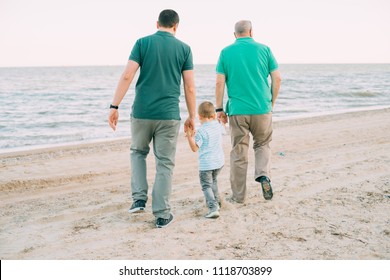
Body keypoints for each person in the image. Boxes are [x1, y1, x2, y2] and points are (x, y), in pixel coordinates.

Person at [108, 9, 196, 228]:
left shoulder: (142, 43)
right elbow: (190, 87)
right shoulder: (185, 49)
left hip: (141, 113)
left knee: (138, 153)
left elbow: (127, 75)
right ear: (176, 26)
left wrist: (114, 106)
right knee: (164, 163)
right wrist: (192, 115)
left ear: (157, 24)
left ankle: (138, 199)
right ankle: (162, 214)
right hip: (168, 115)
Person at [215, 20, 281, 203]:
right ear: (251, 31)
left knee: (239, 152)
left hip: (237, 111)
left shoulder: (226, 52)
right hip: (262, 108)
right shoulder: (264, 49)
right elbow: (277, 78)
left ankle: (238, 197)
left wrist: (219, 109)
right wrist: (271, 102)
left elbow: (219, 82)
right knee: (262, 144)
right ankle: (263, 175)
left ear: (234, 34)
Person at [185, 101, 225, 218]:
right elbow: (222, 129)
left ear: (199, 116)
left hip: (207, 164)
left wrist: (189, 136)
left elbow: (194, 148)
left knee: (206, 185)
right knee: (214, 181)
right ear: (213, 115)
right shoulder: (218, 126)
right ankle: (217, 202)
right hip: (219, 162)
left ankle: (213, 207)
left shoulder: (201, 131)